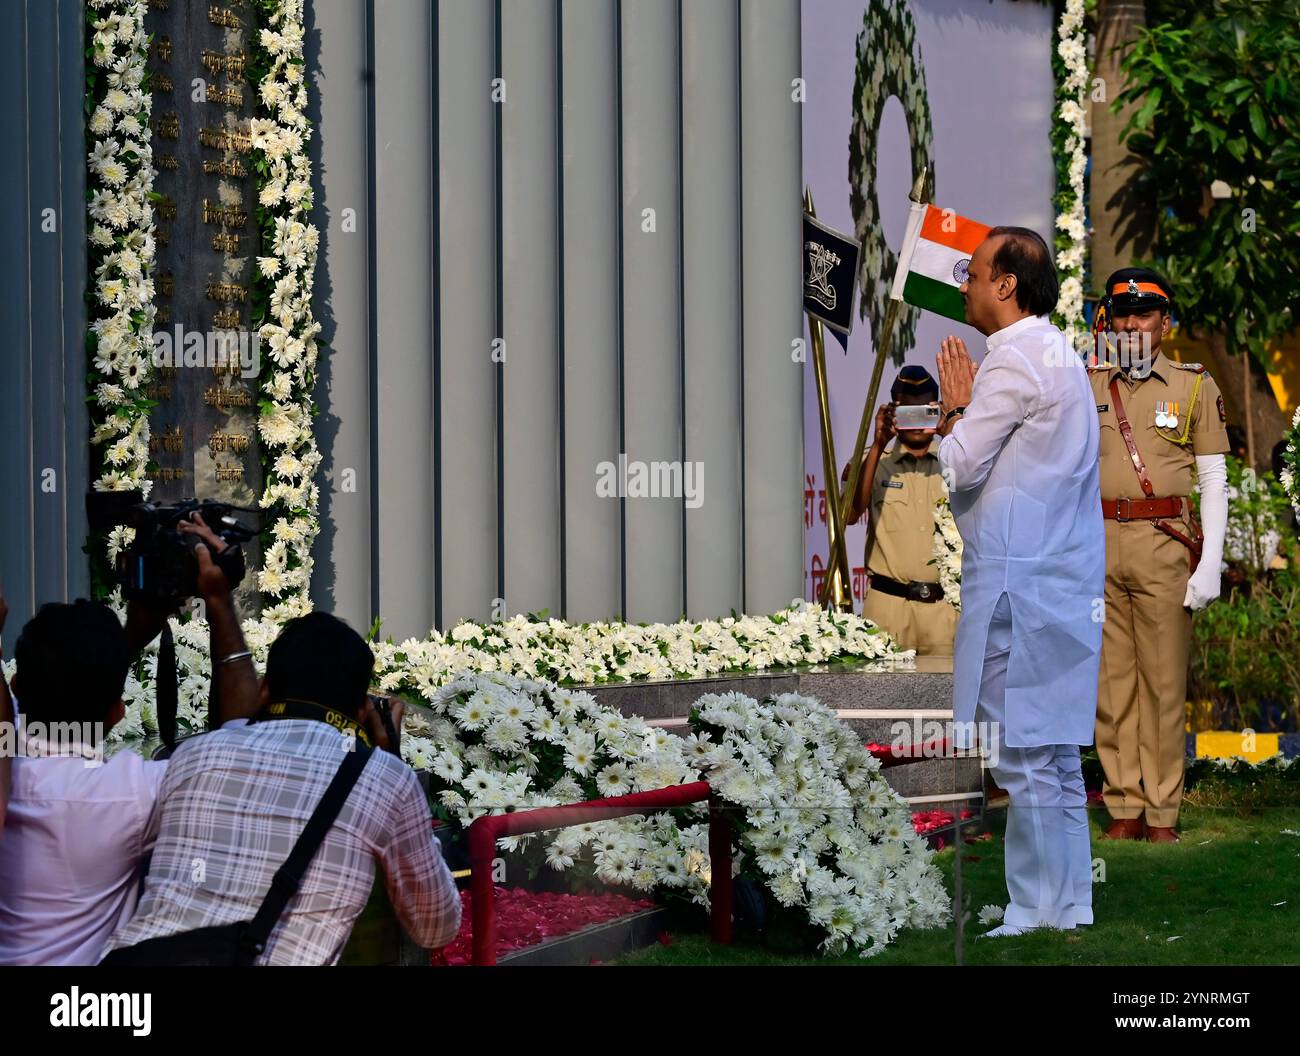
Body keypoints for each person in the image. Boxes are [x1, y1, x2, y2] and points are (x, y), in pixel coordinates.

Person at [103, 611, 462, 965]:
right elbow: (435, 928)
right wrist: (390, 755)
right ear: (361, 712)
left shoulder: (192, 755)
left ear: (264, 691)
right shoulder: (385, 777)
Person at [935, 226, 1103, 936]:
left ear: (1006, 284)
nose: (964, 286)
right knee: (1055, 756)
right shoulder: (1057, 351)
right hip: (1056, 580)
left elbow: (959, 464)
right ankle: (1067, 905)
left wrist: (953, 406)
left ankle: (1037, 910)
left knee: (1024, 755)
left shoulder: (1012, 361)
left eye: (972, 274)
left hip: (1018, 585)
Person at [0, 520, 258, 965]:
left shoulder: (8, 758)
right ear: (117, 712)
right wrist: (218, 601)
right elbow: (240, 746)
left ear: (17, 683)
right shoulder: (130, 794)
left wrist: (137, 629)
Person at [1088, 267, 1229, 843]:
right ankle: (1123, 803)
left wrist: (1211, 562)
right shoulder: (1090, 383)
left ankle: (1162, 811)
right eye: (1122, 314)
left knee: (1165, 685)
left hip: (1165, 545)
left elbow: (1215, 479)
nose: (1132, 324)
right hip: (1098, 545)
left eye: (1144, 314)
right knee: (1110, 685)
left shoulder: (1195, 386)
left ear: (1164, 323)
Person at [843, 365, 957, 655]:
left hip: (943, 610)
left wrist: (951, 431)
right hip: (887, 609)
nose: (918, 423)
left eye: (926, 412)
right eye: (909, 413)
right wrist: (878, 443)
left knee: (947, 699)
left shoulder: (957, 459)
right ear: (893, 412)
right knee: (880, 698)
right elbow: (850, 514)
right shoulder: (872, 461)